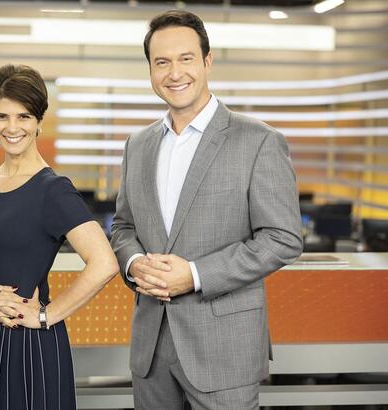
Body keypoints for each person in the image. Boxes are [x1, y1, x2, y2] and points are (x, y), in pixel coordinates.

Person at [110, 10, 303, 410]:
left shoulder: (259, 141)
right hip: (151, 350)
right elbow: (124, 226)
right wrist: (133, 264)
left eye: (186, 59)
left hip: (224, 349)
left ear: (207, 61)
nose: (174, 72)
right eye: (161, 62)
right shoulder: (138, 145)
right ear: (150, 70)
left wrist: (195, 275)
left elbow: (283, 238)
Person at [0, 64, 119, 410]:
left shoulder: (53, 190)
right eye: (1, 116)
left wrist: (47, 315)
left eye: (24, 117)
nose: (12, 127)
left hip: (27, 341)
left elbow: (105, 263)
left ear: (39, 122)